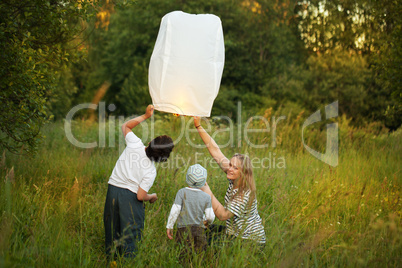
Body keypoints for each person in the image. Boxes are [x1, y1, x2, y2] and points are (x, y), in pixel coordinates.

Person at [103, 105, 174, 259]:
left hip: (113, 191)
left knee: (112, 229)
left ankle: (111, 260)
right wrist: (152, 196)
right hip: (130, 198)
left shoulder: (135, 143)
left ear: (151, 142)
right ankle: (127, 261)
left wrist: (146, 115)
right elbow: (140, 196)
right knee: (130, 235)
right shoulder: (151, 170)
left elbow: (126, 126)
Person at [193, 117, 266, 245]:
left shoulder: (244, 193)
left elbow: (223, 215)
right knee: (199, 230)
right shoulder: (235, 179)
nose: (229, 169)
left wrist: (207, 191)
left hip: (248, 241)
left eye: (235, 168)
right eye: (230, 165)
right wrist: (198, 126)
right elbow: (216, 152)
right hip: (233, 232)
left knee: (205, 243)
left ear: (243, 173)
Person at [166, 164, 215, 256]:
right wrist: (208, 222)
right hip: (199, 230)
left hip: (182, 230)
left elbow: (175, 211)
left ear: (187, 178)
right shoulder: (206, 197)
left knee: (183, 255)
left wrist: (170, 226)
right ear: (204, 182)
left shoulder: (181, 192)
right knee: (199, 256)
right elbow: (210, 216)